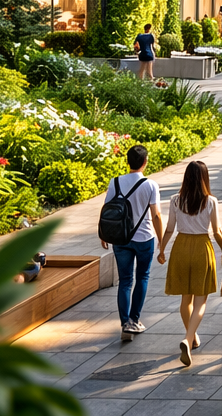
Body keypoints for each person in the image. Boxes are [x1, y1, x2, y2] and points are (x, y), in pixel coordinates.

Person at [157, 160, 222, 367]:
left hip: (180, 247)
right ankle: (188, 339)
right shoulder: (211, 201)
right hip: (201, 248)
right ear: (204, 178)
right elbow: (217, 231)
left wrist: (161, 249)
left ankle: (192, 337)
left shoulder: (175, 200)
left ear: (186, 178)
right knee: (200, 301)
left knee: (185, 300)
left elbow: (169, 228)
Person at [101, 144, 163, 342]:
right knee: (142, 277)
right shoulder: (150, 185)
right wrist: (162, 240)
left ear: (127, 162)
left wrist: (103, 234)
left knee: (125, 281)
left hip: (121, 238)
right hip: (144, 238)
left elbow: (107, 209)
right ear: (145, 162)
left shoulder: (115, 182)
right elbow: (157, 215)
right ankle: (134, 320)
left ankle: (124, 324)